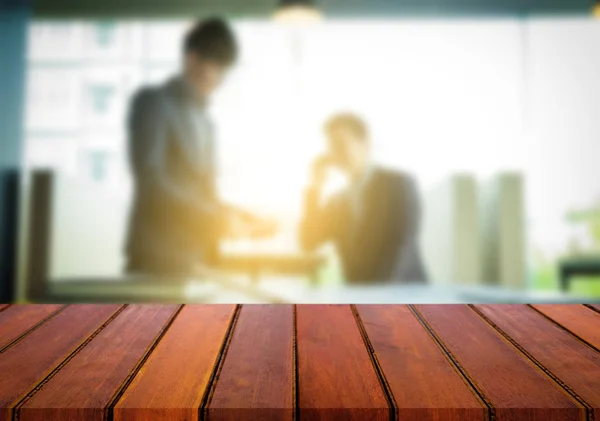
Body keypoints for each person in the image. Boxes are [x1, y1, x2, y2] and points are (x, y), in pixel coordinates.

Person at [125, 18, 275, 278]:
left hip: (198, 258)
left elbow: (204, 196)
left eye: (224, 72)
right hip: (158, 259)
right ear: (192, 59)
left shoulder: (206, 122)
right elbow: (152, 184)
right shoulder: (154, 103)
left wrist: (245, 218)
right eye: (216, 68)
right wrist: (217, 219)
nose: (219, 81)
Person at [299, 112, 427, 284]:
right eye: (331, 148)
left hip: (406, 297)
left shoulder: (399, 186)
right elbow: (309, 241)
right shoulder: (337, 202)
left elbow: (399, 249)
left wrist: (373, 301)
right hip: (362, 301)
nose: (336, 154)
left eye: (341, 144)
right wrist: (315, 187)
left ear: (366, 144)